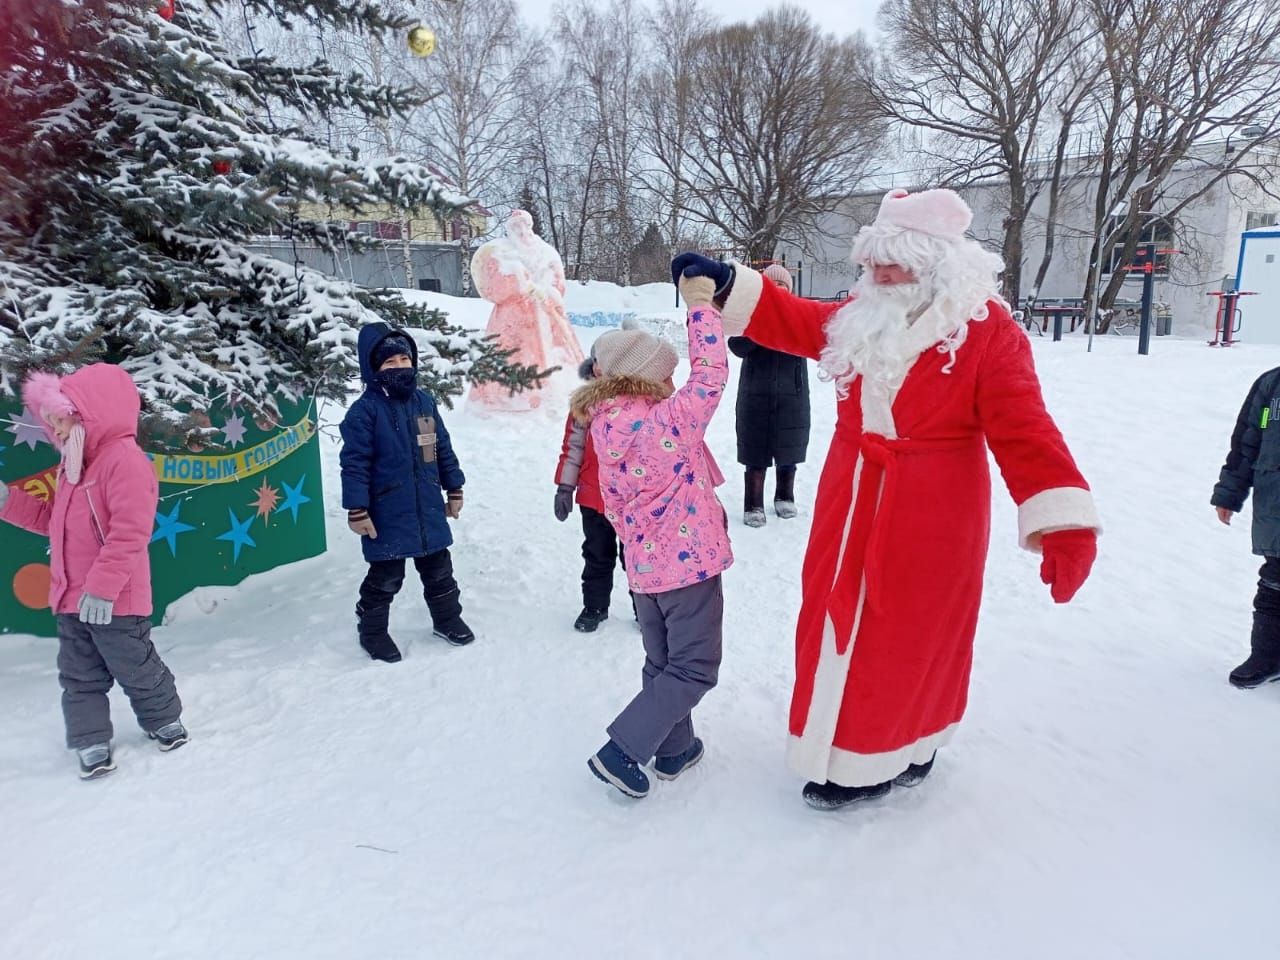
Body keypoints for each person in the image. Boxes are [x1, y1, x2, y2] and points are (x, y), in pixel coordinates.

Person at [672, 187, 1100, 810]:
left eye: (894, 260)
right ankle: (844, 747)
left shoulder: (988, 331)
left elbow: (1025, 426)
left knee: (912, 633)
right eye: (872, 259)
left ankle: (895, 750)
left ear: (937, 261)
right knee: (835, 621)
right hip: (851, 498)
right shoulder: (860, 312)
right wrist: (729, 283)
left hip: (934, 506)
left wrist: (1063, 523)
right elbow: (796, 321)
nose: (878, 272)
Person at [571, 275, 731, 798]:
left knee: (663, 664)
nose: (672, 384)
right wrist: (702, 307)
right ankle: (623, 750)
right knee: (694, 668)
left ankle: (675, 748)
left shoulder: (605, 424)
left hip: (644, 574)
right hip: (687, 571)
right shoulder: (665, 423)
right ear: (646, 380)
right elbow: (710, 376)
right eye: (665, 377)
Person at [0, 365, 186, 779]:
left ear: (88, 412)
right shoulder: (74, 467)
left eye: (59, 420)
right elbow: (53, 521)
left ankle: (164, 719)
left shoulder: (125, 462)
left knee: (135, 665)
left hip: (115, 599)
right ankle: (91, 740)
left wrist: (102, 589)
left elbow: (129, 534)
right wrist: (6, 501)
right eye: (50, 424)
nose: (56, 431)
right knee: (79, 675)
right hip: (71, 597)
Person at [340, 324, 473, 663]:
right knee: (386, 576)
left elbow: (441, 447)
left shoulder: (424, 402)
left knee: (439, 569)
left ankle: (447, 619)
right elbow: (355, 464)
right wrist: (357, 509)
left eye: (404, 358)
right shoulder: (364, 412)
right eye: (389, 363)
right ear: (373, 369)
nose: (399, 367)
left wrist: (454, 486)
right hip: (387, 509)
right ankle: (371, 631)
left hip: (427, 504)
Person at [727, 263, 811, 527]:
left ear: (789, 289)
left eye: (782, 286)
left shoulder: (800, 312)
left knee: (790, 447)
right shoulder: (750, 314)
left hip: (792, 395)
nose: (778, 290)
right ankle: (753, 503)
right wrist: (762, 320)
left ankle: (785, 496)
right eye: (772, 286)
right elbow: (737, 346)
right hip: (756, 394)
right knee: (755, 450)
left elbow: (813, 339)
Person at [1211, 367, 1280, 688]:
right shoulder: (1272, 387)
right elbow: (1251, 438)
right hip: (1276, 504)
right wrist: (1230, 492)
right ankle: (1267, 656)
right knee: (1274, 582)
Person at [553, 344, 629, 632]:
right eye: (597, 360)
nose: (600, 366)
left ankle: (646, 608)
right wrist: (565, 486)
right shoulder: (585, 402)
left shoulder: (640, 400)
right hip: (593, 496)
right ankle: (595, 606)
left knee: (636, 557)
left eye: (608, 360)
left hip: (632, 498)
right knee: (597, 554)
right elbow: (573, 447)